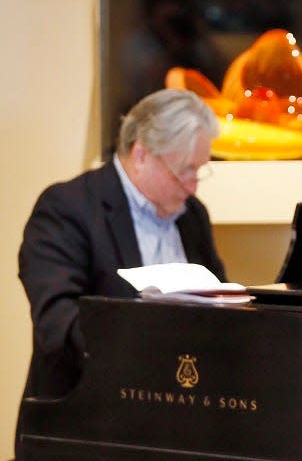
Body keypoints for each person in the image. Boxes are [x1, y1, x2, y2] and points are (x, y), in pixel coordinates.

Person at [17, 88, 225, 405]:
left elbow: (219, 302)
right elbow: (56, 324)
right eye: (183, 170)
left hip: (178, 414)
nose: (193, 184)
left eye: (199, 169)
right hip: (87, 416)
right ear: (141, 155)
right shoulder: (67, 208)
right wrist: (148, 345)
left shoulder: (192, 215)